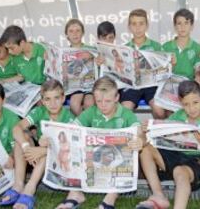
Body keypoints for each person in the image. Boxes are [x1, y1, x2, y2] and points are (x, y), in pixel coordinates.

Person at [56, 76, 143, 209]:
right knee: (73, 146)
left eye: (107, 101)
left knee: (127, 152)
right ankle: (75, 194)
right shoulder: (92, 111)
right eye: (99, 101)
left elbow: (139, 131)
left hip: (115, 161)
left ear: (116, 98)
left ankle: (110, 199)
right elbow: (72, 128)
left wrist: (139, 139)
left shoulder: (126, 114)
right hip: (95, 158)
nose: (103, 105)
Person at [137, 80, 200, 209]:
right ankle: (158, 196)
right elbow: (155, 139)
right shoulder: (177, 116)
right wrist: (148, 129)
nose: (191, 108)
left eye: (195, 103)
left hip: (199, 163)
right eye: (186, 104)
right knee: (146, 149)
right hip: (178, 157)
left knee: (180, 172)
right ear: (181, 104)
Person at [0, 80, 74, 209]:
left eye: (56, 98)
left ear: (63, 98)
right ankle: (18, 185)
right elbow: (17, 128)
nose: (52, 103)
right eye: (48, 99)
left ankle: (30, 189)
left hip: (57, 159)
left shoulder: (69, 117)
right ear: (43, 101)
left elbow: (71, 146)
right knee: (23, 137)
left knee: (46, 146)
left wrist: (44, 150)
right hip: (35, 156)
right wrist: (26, 147)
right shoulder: (39, 111)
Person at [120, 9, 168, 119]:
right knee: (125, 110)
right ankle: (131, 135)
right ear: (129, 27)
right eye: (134, 24)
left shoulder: (157, 46)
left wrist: (169, 64)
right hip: (132, 86)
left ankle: (157, 135)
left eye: (141, 23)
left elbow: (163, 70)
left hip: (151, 85)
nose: (138, 28)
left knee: (159, 110)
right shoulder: (124, 48)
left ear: (147, 25)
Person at [64, 19, 95, 116]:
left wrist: (95, 57)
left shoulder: (92, 50)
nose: (75, 34)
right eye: (71, 31)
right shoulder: (63, 52)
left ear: (83, 33)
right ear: (67, 35)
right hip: (74, 87)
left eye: (78, 30)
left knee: (89, 103)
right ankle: (82, 126)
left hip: (90, 86)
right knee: (74, 104)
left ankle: (89, 128)